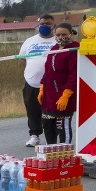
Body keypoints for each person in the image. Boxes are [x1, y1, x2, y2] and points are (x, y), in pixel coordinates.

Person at [37, 23, 79, 144]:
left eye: (64, 34)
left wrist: (66, 95)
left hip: (63, 94)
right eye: (58, 34)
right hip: (49, 96)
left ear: (71, 34)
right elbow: (47, 70)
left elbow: (73, 75)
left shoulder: (74, 49)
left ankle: (64, 155)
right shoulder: (54, 48)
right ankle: (51, 155)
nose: (61, 37)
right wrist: (42, 88)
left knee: (62, 127)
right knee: (48, 125)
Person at [19, 14, 56, 147]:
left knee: (50, 111)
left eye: (48, 24)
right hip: (31, 83)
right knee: (32, 109)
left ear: (54, 26)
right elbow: (22, 59)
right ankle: (34, 136)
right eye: (42, 24)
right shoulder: (29, 41)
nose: (45, 26)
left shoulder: (57, 41)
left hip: (52, 84)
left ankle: (51, 138)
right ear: (38, 25)